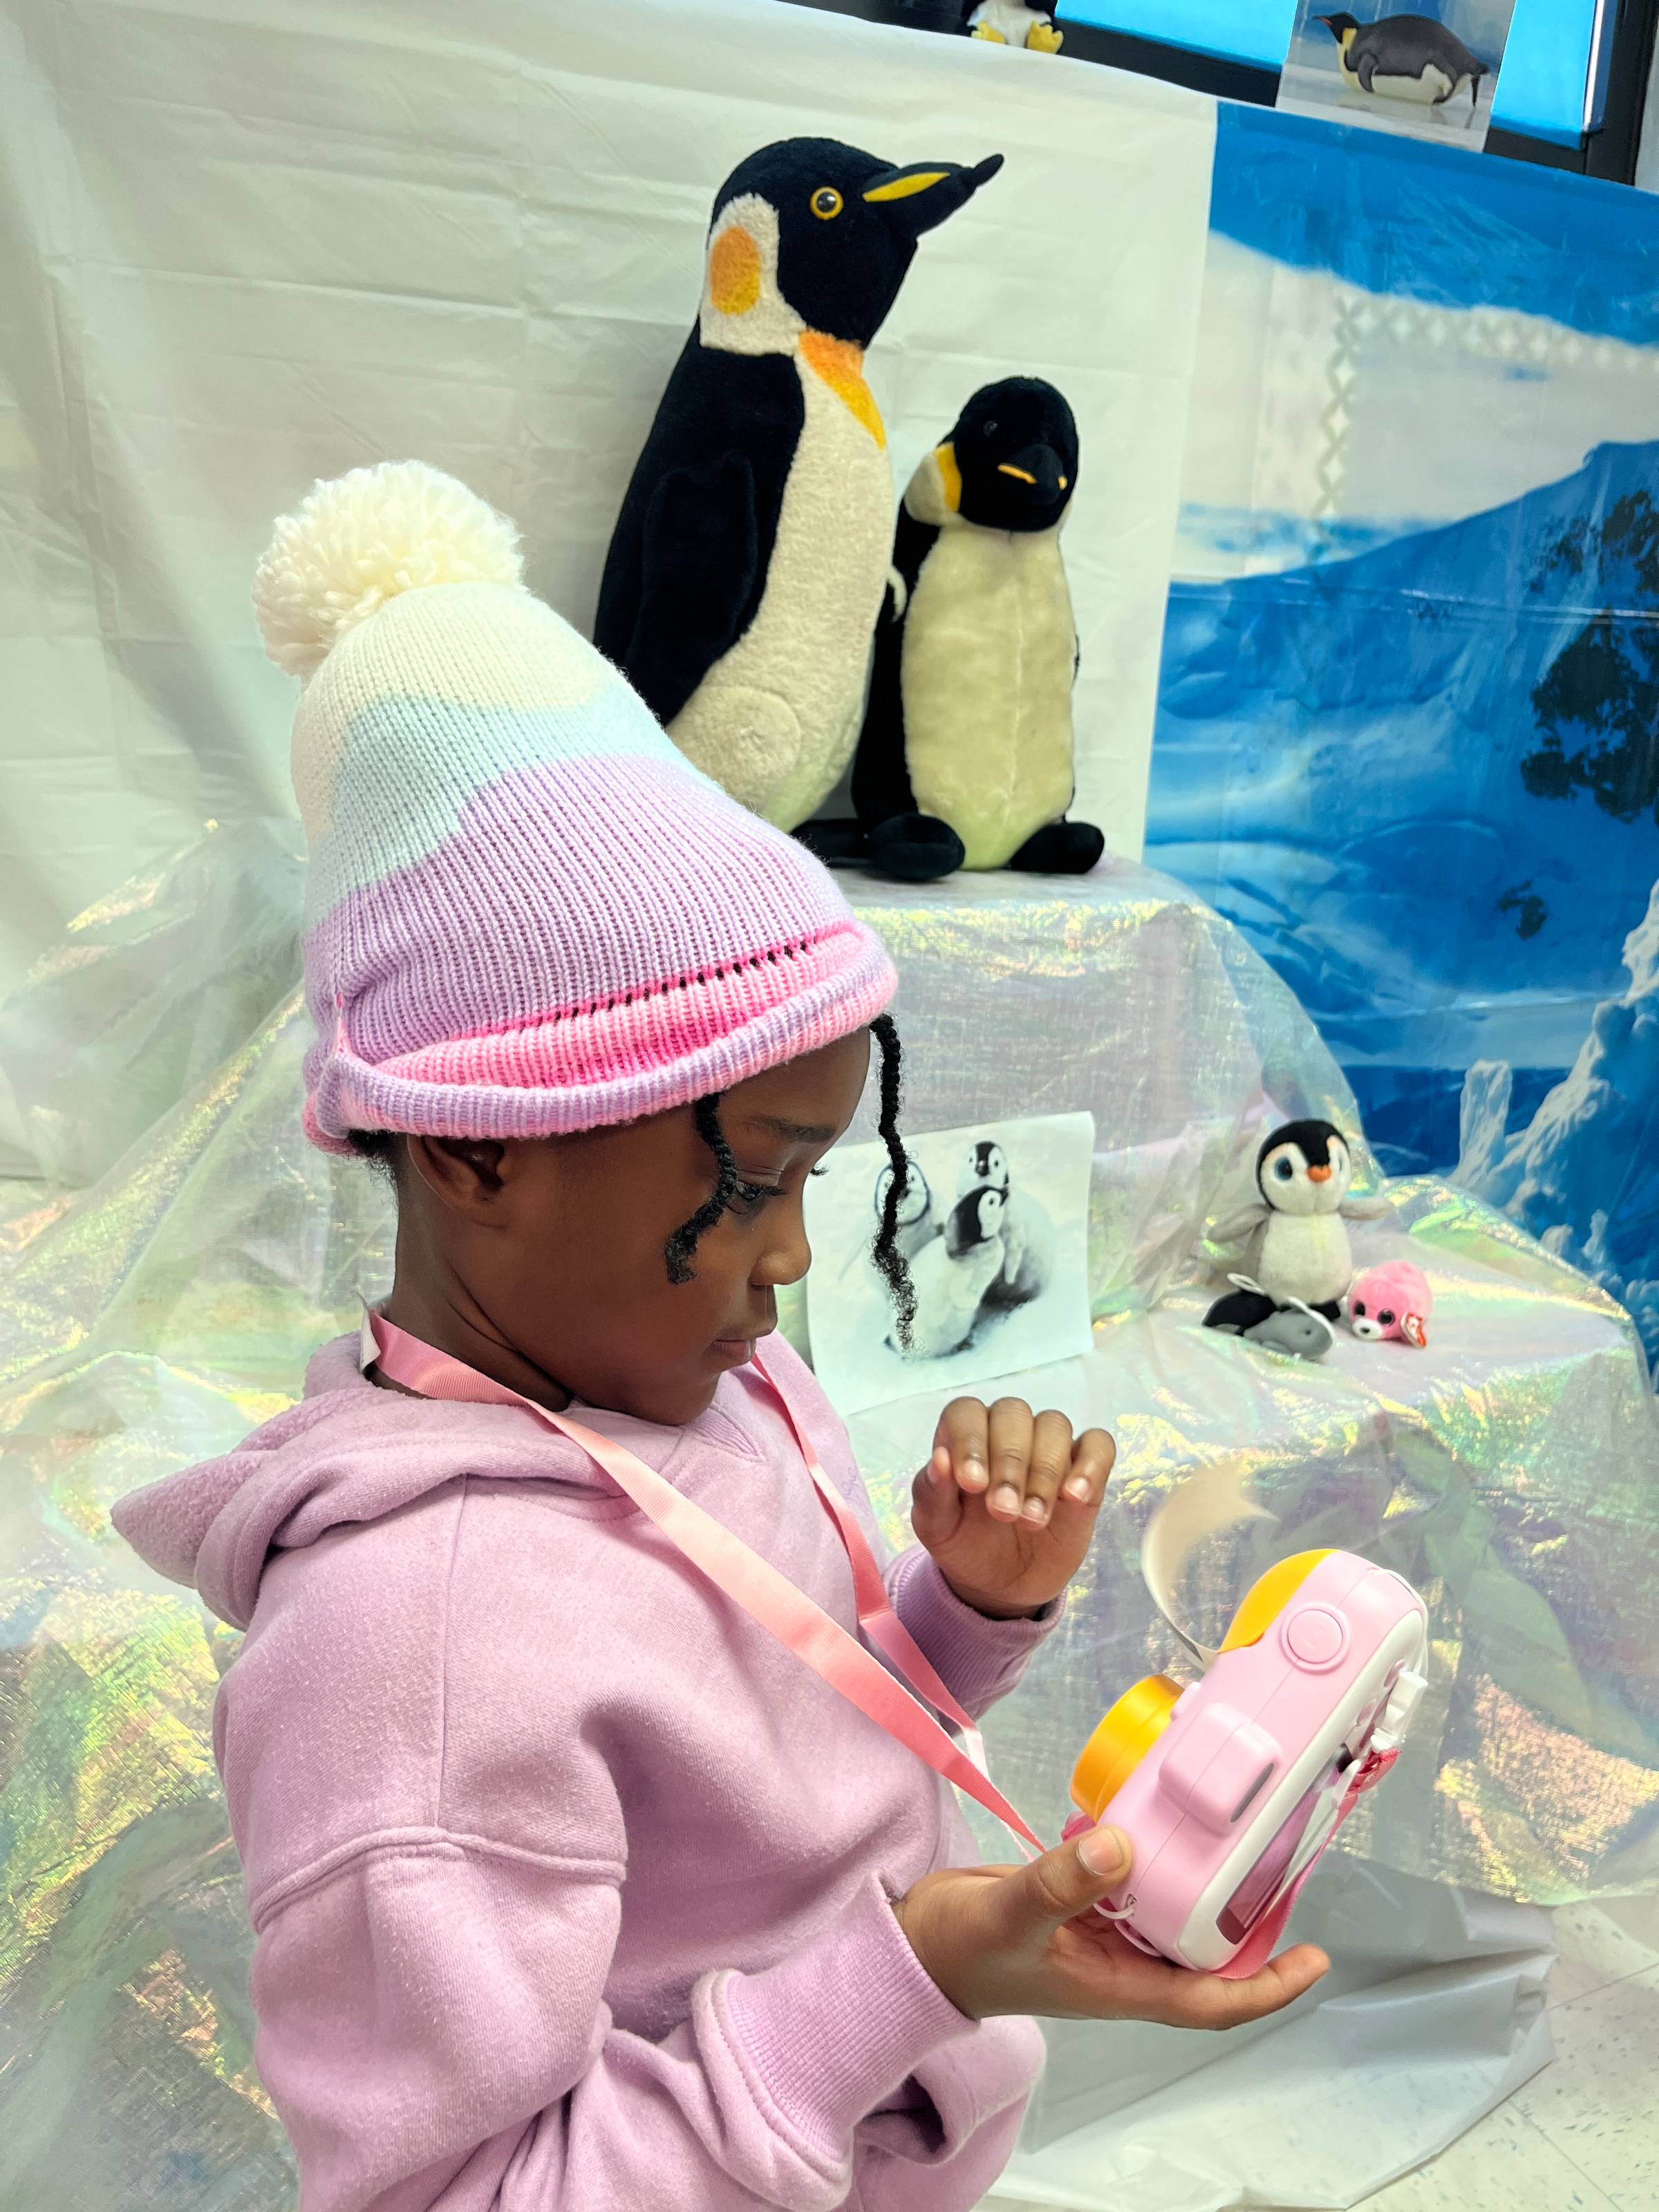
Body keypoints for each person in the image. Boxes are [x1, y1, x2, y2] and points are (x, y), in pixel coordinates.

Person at [113, 462, 1327, 2212]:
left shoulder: (704, 1382)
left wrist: (961, 1618)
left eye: (812, 1176)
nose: (790, 1257)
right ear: (476, 1148)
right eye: (751, 1179)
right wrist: (905, 1983)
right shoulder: (412, 1651)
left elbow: (776, 1746)